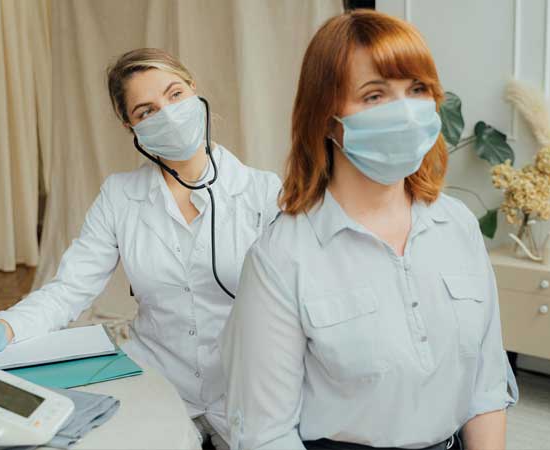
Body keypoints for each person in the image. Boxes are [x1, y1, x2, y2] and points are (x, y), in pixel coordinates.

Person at [220, 10, 518, 450]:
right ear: (326, 118)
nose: (405, 112)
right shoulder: (282, 257)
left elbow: (486, 388)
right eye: (374, 95)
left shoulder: (456, 225)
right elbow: (266, 435)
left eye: (417, 90)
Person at [0, 48, 281, 450]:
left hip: (245, 386)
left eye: (175, 95)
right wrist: (4, 327)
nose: (168, 115)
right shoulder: (119, 196)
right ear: (130, 126)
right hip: (156, 378)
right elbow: (69, 290)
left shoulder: (263, 192)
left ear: (195, 92)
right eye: (146, 110)